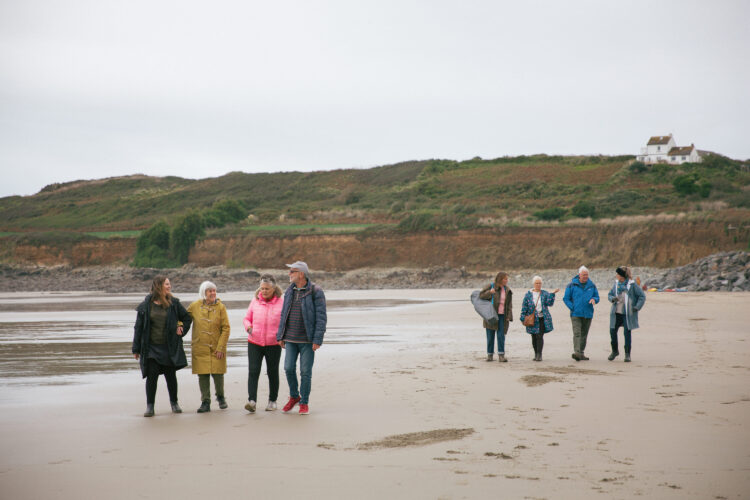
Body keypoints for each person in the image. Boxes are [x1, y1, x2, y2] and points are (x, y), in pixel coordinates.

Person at [132, 275, 192, 417]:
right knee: (151, 376)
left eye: (169, 284)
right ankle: (150, 406)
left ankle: (174, 403)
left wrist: (181, 328)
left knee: (171, 376)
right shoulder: (146, 305)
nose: (169, 286)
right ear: (159, 286)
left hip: (169, 347)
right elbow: (138, 327)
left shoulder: (174, 303)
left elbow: (187, 318)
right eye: (166, 284)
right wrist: (136, 348)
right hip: (151, 348)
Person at [276, 261, 327, 415]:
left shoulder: (315, 291)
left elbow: (321, 317)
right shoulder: (289, 291)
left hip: (307, 340)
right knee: (288, 368)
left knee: (305, 372)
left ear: (301, 274)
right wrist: (280, 335)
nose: (289, 274)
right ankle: (294, 396)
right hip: (290, 339)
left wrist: (317, 339)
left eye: (292, 271)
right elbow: (283, 314)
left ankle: (304, 402)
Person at [243, 274, 284, 413]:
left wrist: (282, 337)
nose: (264, 291)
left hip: (274, 343)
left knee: (272, 372)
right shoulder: (254, 301)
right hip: (254, 341)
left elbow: (285, 322)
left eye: (267, 288)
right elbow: (247, 318)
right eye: (262, 288)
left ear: (273, 288)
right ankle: (252, 401)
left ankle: (272, 401)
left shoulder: (281, 302)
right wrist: (248, 327)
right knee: (253, 371)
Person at [187, 281, 230, 413]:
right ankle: (205, 402)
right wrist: (178, 325)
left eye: (214, 291)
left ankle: (221, 397)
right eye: (210, 291)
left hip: (217, 346)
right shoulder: (194, 306)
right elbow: (182, 318)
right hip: (200, 347)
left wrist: (221, 347)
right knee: (203, 375)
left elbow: (226, 328)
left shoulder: (221, 307)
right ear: (203, 292)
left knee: (218, 374)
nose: (212, 293)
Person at [607, 266, 646, 362]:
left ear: (622, 276)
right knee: (612, 332)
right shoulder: (616, 284)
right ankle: (614, 351)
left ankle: (627, 355)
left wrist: (637, 307)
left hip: (628, 314)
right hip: (616, 313)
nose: (616, 275)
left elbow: (642, 296)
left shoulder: (632, 285)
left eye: (617, 274)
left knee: (627, 333)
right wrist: (612, 298)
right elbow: (610, 294)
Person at [563, 266, 600, 361]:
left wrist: (594, 299)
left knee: (584, 334)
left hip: (588, 313)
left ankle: (581, 352)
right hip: (575, 314)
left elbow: (597, 297)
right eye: (583, 275)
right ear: (579, 275)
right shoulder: (571, 285)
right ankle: (577, 352)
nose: (585, 276)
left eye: (587, 275)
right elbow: (566, 298)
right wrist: (573, 307)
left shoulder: (592, 285)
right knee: (577, 333)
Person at [520, 276, 559, 361]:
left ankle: (539, 354)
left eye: (539, 283)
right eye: (536, 283)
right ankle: (535, 354)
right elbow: (524, 306)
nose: (538, 285)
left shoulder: (544, 293)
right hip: (532, 319)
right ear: (533, 284)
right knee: (533, 336)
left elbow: (549, 303)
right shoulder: (528, 295)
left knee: (539, 336)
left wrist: (552, 294)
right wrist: (522, 317)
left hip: (542, 318)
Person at [478, 272, 513, 362]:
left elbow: (509, 305)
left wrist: (509, 316)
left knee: (501, 336)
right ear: (500, 279)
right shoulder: (491, 286)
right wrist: (490, 292)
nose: (506, 280)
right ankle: (490, 355)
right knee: (490, 336)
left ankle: (501, 355)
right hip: (491, 315)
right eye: (505, 279)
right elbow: (481, 296)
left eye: (507, 279)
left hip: (502, 316)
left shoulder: (507, 290)